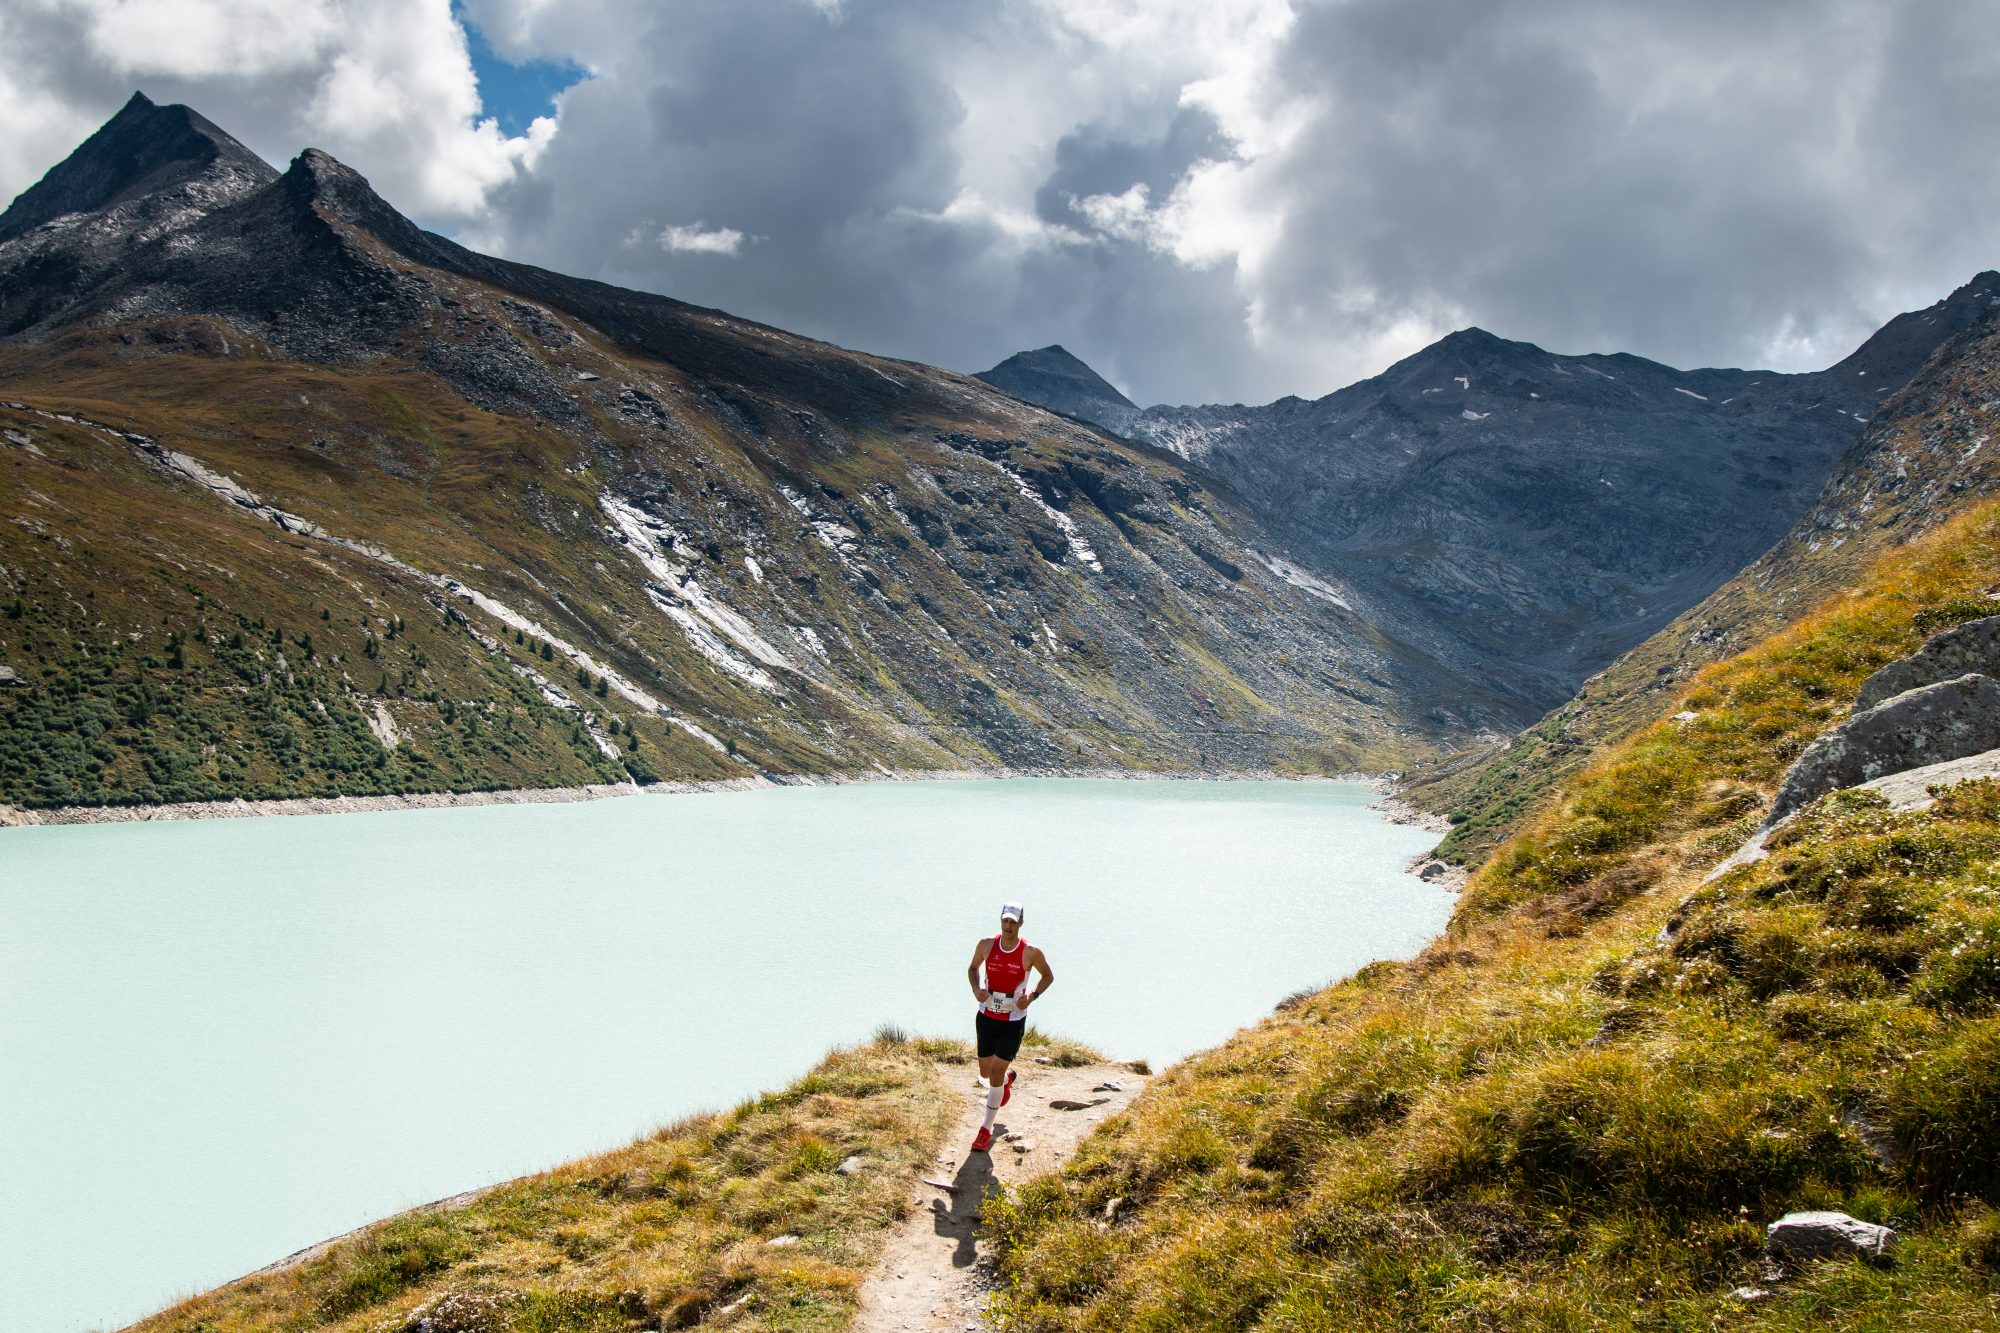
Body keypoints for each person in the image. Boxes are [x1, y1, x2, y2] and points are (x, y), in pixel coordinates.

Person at [966, 900, 1052, 1152]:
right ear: (1000, 921)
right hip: (987, 1015)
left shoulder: (1030, 952)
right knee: (985, 1073)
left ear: (1021, 923)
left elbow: (1048, 976)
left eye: (1014, 922)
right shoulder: (986, 945)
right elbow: (972, 968)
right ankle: (1006, 1080)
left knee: (993, 1074)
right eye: (1005, 920)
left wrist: (1032, 997)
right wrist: (976, 989)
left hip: (1013, 1020)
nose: (1009, 926)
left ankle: (985, 1129)